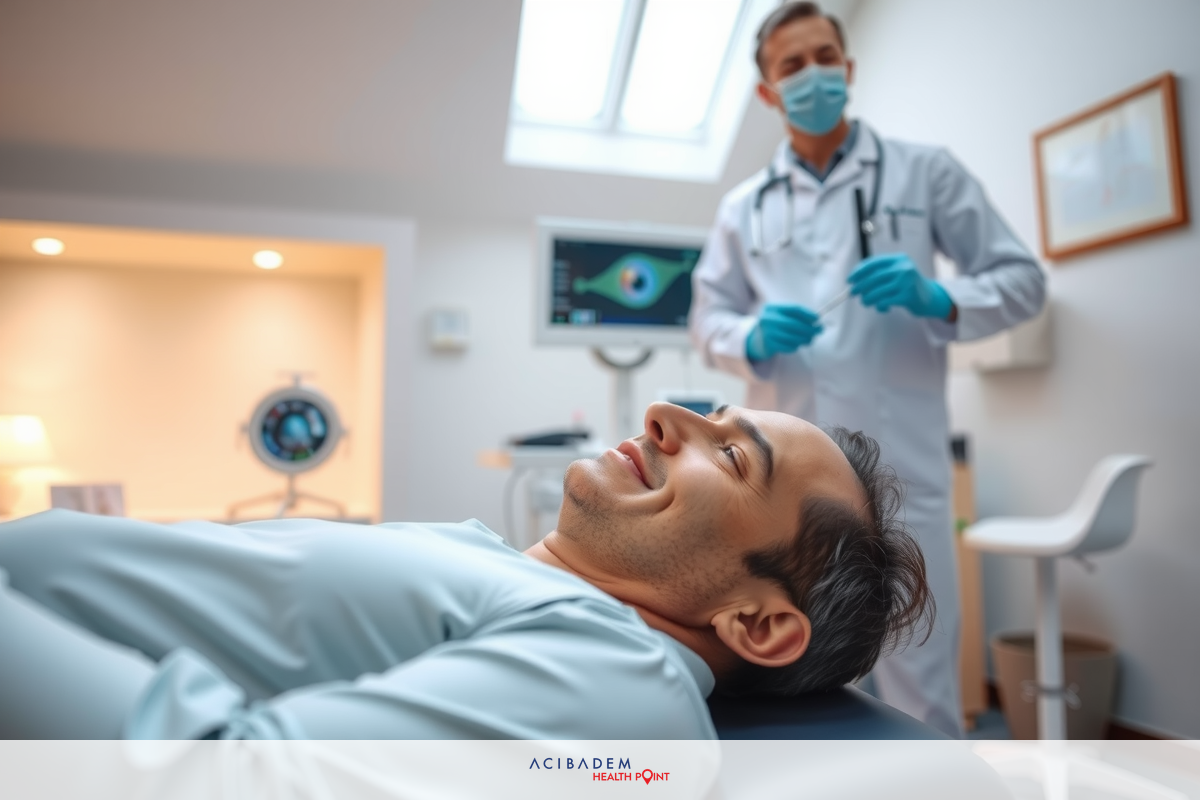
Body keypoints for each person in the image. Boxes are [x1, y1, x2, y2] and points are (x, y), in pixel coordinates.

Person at [0, 402, 931, 739]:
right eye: (710, 415)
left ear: (756, 623)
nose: (662, 415)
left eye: (730, 458)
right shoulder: (490, 563)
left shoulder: (621, 685)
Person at [688, 3, 1046, 737]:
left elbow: (1022, 281)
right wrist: (750, 335)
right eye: (793, 65)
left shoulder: (925, 172)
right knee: (787, 661)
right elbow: (706, 322)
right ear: (766, 92)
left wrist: (938, 294)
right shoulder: (741, 207)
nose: (813, 75)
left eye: (825, 58)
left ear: (848, 71)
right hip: (784, 477)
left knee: (921, 668)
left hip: (904, 460)